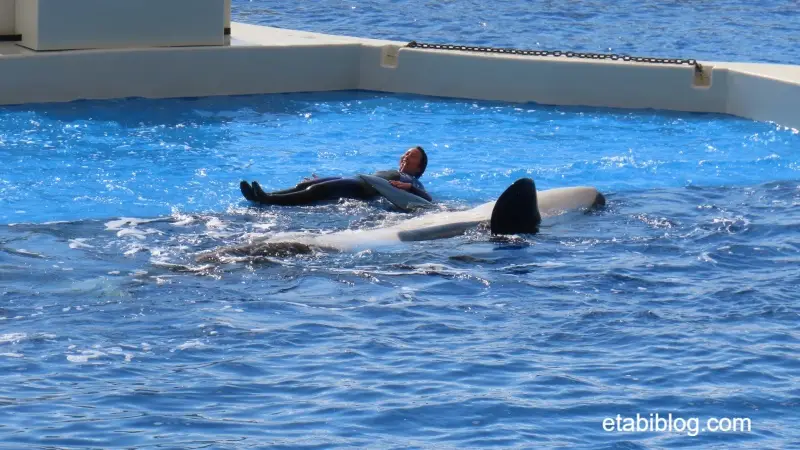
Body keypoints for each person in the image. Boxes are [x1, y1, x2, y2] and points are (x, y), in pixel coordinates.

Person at [240, 146, 432, 206]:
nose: (407, 156)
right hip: (358, 180)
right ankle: (259, 195)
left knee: (317, 190)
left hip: (365, 188)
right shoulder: (393, 170)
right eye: (406, 153)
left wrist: (410, 188)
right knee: (304, 186)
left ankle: (268, 199)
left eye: (413, 156)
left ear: (419, 167)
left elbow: (427, 200)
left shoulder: (413, 181)